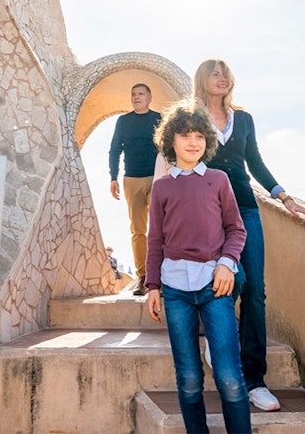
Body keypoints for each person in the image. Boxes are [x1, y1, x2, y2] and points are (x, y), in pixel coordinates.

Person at [193, 58, 305, 412]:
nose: (222, 78)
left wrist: (285, 197)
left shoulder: (244, 119)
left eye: (226, 74)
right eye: (215, 73)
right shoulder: (192, 117)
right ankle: (217, 335)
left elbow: (255, 163)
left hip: (247, 209)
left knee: (256, 293)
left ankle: (254, 381)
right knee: (236, 279)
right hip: (207, 212)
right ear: (203, 80)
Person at [145, 100, 251, 434]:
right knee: (189, 378)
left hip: (215, 286)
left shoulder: (218, 180)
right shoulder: (161, 187)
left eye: (199, 136)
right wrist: (152, 286)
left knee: (229, 377)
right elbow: (155, 240)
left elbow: (236, 229)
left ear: (207, 140)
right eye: (185, 135)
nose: (193, 142)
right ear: (170, 141)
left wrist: (226, 264)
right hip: (175, 291)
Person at [108, 83, 162, 295]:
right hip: (132, 179)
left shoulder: (159, 119)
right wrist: (113, 177)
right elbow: (114, 150)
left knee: (161, 229)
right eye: (133, 94)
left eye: (141, 94)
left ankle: (161, 278)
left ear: (150, 97)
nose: (136, 97)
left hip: (158, 178)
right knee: (138, 230)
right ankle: (143, 277)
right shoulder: (124, 121)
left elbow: (170, 148)